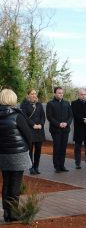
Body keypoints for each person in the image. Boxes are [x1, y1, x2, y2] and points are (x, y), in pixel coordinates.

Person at [0, 89, 32, 222]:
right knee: (15, 185)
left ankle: (7, 213)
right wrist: (27, 148)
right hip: (18, 154)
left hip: (3, 154)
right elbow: (28, 136)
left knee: (6, 183)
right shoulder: (18, 115)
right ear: (12, 99)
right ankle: (13, 214)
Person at [46, 87, 73, 173]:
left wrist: (66, 123)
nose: (61, 94)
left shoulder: (66, 103)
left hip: (65, 129)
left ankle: (62, 165)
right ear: (54, 94)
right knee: (57, 147)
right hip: (55, 130)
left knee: (63, 148)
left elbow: (70, 116)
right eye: (59, 93)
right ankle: (57, 166)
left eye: (62, 93)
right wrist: (58, 124)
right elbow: (49, 117)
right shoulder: (50, 104)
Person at [20, 88, 46, 175]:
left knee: (38, 150)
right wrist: (33, 125)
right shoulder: (24, 105)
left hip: (39, 130)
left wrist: (41, 124)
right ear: (28, 95)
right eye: (32, 94)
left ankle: (36, 166)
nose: (34, 95)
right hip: (30, 130)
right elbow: (24, 117)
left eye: (35, 93)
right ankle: (31, 167)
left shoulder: (39, 104)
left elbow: (43, 116)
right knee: (30, 150)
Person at [71, 89, 86, 169]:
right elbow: (74, 114)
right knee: (77, 147)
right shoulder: (74, 103)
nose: (83, 95)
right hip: (79, 128)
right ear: (79, 95)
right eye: (81, 94)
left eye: (84, 94)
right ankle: (77, 163)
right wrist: (83, 120)